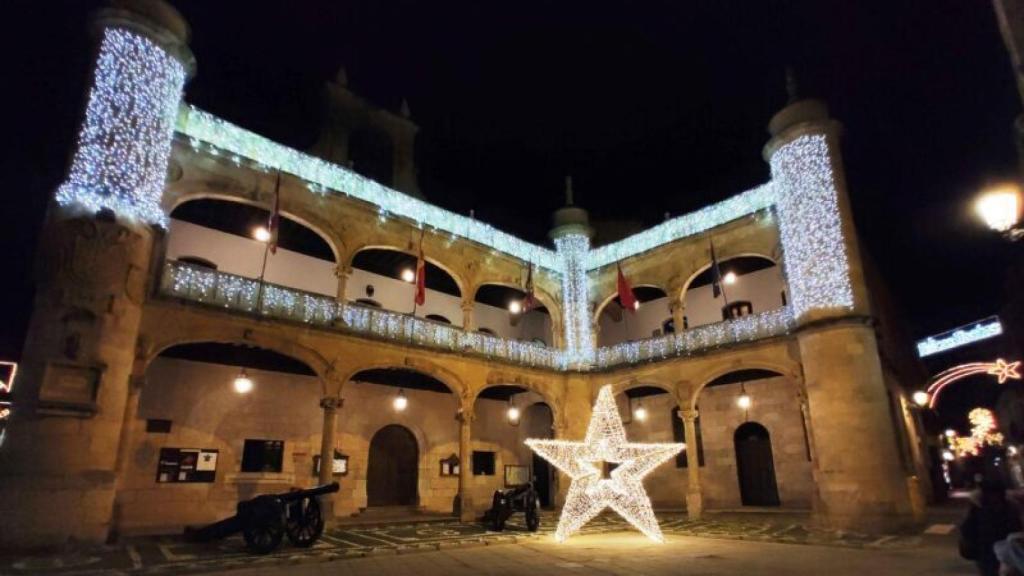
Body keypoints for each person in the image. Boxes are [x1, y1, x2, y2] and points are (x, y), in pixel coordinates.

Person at [961, 478, 1023, 576]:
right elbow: (967, 529)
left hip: (997, 551)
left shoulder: (1009, 507)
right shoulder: (979, 508)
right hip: (987, 551)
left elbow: (966, 529)